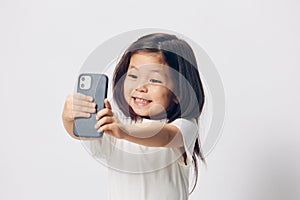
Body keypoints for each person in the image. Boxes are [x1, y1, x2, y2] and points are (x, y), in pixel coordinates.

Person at [62, 33, 206, 200]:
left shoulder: (185, 126)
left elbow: (165, 135)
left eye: (154, 80)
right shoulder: (117, 125)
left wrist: (124, 130)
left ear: (179, 91)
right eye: (133, 76)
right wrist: (68, 119)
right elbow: (81, 134)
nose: (140, 87)